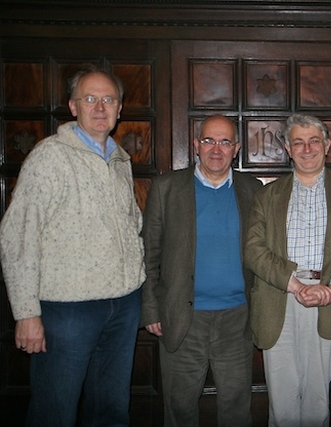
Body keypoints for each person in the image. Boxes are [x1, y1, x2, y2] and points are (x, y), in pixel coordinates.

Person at [0, 66, 145, 426]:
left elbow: (132, 225)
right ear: (72, 106)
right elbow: (18, 235)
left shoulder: (120, 160)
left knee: (111, 411)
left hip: (123, 305)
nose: (100, 107)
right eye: (90, 99)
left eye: (108, 99)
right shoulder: (50, 157)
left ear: (120, 109)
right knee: (55, 412)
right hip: (68, 312)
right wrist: (26, 313)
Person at [244, 114, 331, 427]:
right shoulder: (266, 195)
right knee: (282, 402)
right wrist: (295, 285)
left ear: (327, 145)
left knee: (316, 401)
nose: (307, 148)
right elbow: (254, 251)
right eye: (298, 142)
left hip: (330, 299)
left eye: (314, 140)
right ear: (288, 148)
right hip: (279, 297)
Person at [141, 115, 262, 427]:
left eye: (224, 142)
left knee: (237, 409)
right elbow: (149, 253)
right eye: (209, 140)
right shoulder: (167, 188)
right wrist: (151, 308)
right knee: (180, 410)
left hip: (237, 320)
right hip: (182, 319)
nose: (216, 149)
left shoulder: (253, 189)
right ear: (196, 145)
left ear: (236, 148)